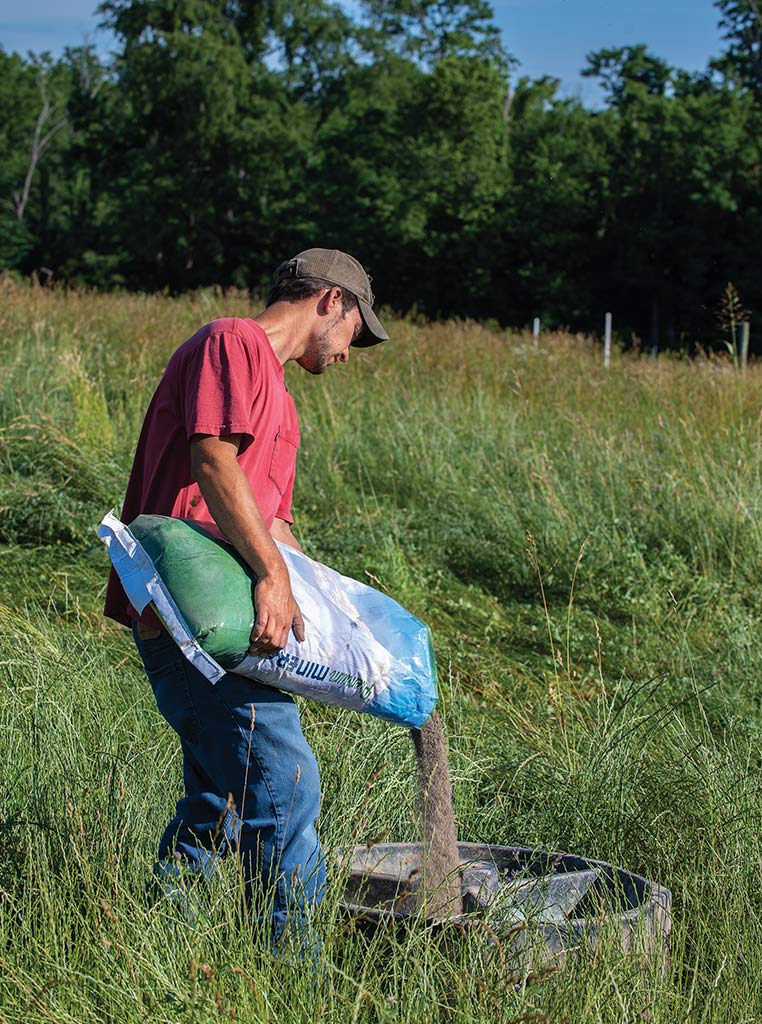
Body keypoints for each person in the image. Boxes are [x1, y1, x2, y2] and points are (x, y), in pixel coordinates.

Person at [103, 248, 388, 950]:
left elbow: (277, 525)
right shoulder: (234, 342)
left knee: (218, 802)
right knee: (286, 783)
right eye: (357, 328)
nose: (352, 352)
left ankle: (156, 943)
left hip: (241, 627)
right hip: (190, 620)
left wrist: (329, 615)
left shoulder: (284, 408)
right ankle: (297, 976)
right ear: (330, 301)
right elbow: (213, 459)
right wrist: (268, 573)